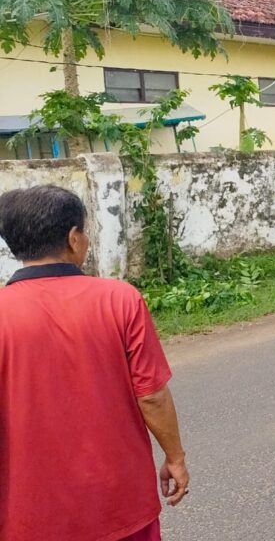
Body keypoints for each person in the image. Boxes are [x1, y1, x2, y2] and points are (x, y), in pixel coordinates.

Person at [0, 185, 189, 541]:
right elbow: (152, 396)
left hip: (27, 514)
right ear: (74, 238)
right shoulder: (120, 300)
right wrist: (175, 457)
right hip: (120, 504)